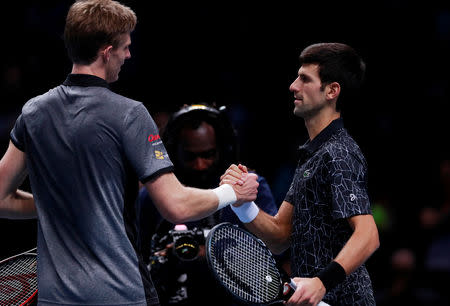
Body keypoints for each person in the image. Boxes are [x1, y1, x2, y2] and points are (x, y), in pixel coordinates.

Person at [0, 1, 258, 306]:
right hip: (120, 294)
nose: (128, 55)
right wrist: (232, 192)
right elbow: (176, 206)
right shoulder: (129, 114)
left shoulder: (33, 112)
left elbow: (1, 199)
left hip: (56, 299)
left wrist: (63, 204)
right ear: (107, 52)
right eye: (125, 47)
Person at [221, 42, 380, 305]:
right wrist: (242, 203)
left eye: (305, 79)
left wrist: (322, 282)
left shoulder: (339, 152)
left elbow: (368, 234)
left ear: (332, 90)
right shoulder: (313, 154)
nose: (293, 86)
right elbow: (280, 237)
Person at [135, 103, 281, 305]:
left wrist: (207, 254)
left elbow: (275, 253)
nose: (200, 164)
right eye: (190, 156)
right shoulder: (154, 196)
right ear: (173, 151)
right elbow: (138, 258)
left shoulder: (249, 187)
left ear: (223, 148)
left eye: (207, 154)